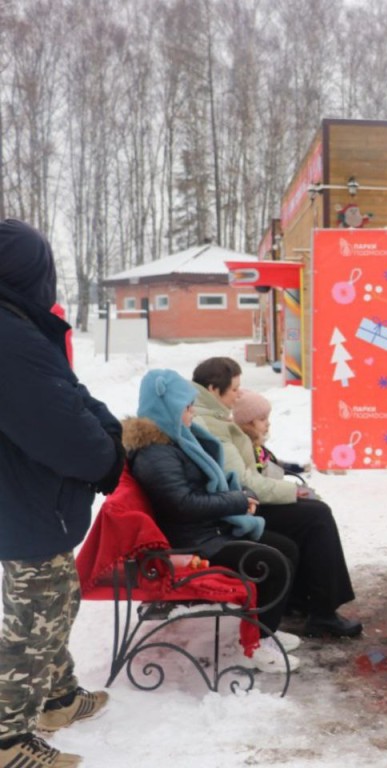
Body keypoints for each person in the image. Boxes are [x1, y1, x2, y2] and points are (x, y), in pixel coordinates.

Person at [0, 219, 124, 768]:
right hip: (24, 500)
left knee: (55, 598)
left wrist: (107, 431)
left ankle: (57, 697)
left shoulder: (19, 326)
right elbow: (59, 427)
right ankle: (8, 740)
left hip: (28, 498)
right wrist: (107, 456)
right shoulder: (7, 336)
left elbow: (70, 395)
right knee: (35, 614)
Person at [123, 369, 302, 673]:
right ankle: (254, 645)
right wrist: (235, 500)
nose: (192, 412)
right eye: (187, 407)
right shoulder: (157, 453)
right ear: (168, 409)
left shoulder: (171, 442)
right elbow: (182, 505)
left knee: (284, 548)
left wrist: (236, 496)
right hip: (189, 546)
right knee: (274, 559)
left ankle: (263, 631)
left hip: (201, 532)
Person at [191, 359, 362, 638]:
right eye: (234, 390)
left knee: (309, 515)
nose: (238, 395)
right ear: (213, 389)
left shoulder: (211, 417)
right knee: (316, 516)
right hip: (233, 512)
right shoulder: (211, 424)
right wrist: (291, 491)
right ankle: (322, 612)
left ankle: (304, 603)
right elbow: (243, 481)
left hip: (233, 506)